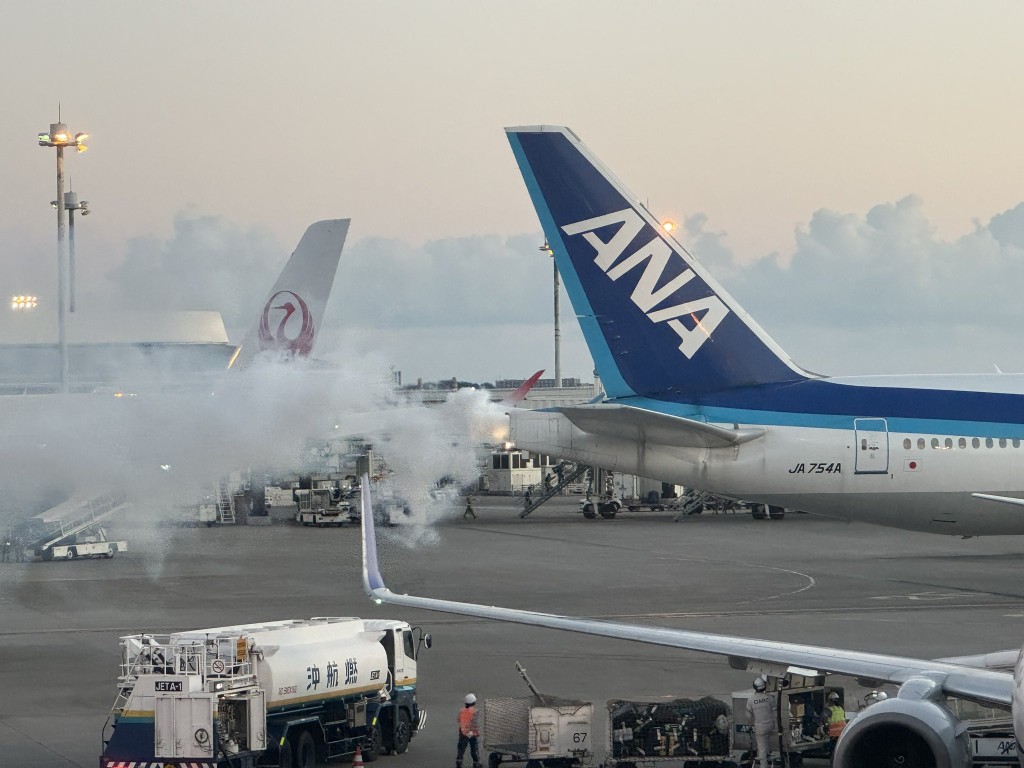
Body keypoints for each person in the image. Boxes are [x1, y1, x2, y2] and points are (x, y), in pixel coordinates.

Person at [745, 676, 776, 768]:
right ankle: (768, 753)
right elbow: (774, 712)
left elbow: (748, 716)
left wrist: (750, 725)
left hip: (760, 727)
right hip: (771, 725)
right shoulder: (769, 698)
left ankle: (763, 764)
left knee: (761, 747)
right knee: (766, 739)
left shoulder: (751, 699)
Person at [456, 692, 481, 768]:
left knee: (461, 749)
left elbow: (458, 720)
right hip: (472, 733)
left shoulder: (461, 711)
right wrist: (476, 733)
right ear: (474, 702)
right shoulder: (475, 711)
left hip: (463, 733)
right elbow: (475, 724)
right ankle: (476, 762)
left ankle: (459, 762)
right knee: (474, 749)